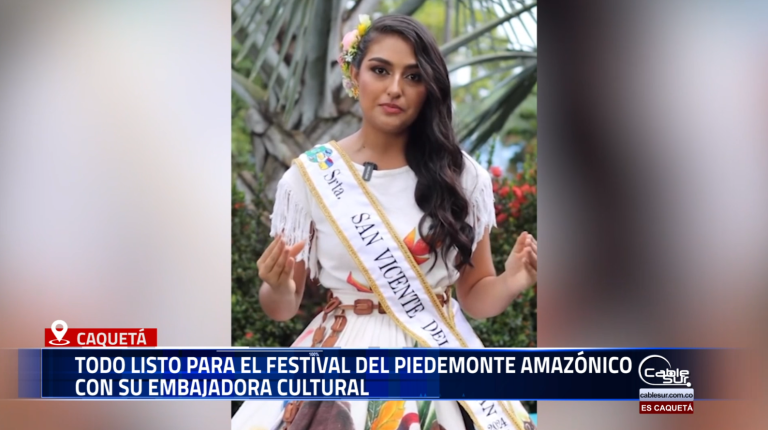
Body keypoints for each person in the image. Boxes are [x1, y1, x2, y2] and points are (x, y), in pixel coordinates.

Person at [232, 14, 538, 430]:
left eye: (413, 76)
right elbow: (282, 307)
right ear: (354, 74)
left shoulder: (463, 177)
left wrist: (512, 281)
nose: (395, 88)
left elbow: (475, 296)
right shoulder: (310, 177)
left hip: (438, 358)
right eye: (380, 70)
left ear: (429, 87)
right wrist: (278, 285)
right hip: (339, 358)